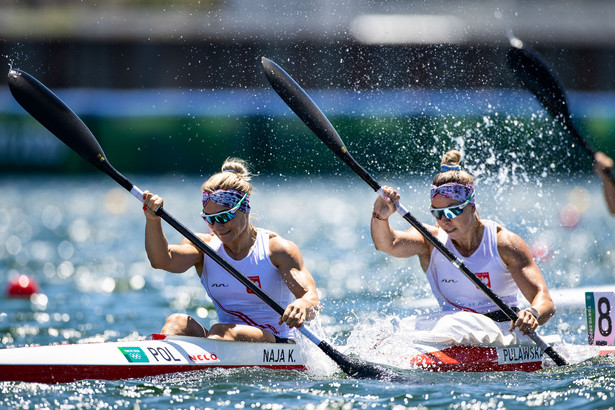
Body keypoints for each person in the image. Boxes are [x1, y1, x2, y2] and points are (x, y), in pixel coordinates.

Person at [370, 150, 555, 335]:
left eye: (452, 211)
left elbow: (544, 300)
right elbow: (388, 244)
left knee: (453, 324)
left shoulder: (504, 244)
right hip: (454, 332)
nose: (444, 220)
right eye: (437, 213)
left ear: (472, 206)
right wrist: (380, 215)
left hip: (502, 331)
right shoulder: (432, 240)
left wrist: (532, 313)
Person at [142, 158, 320, 343]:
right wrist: (153, 221)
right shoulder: (204, 248)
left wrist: (302, 304)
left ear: (245, 209)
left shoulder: (277, 249)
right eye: (210, 219)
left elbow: (312, 298)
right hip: (223, 337)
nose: (217, 226)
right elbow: (162, 260)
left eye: (225, 216)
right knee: (176, 323)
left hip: (277, 342)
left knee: (222, 331)